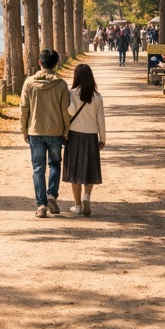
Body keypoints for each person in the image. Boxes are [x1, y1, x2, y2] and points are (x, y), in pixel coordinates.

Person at [20, 48, 70, 218]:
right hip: (56, 130)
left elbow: (24, 109)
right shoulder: (62, 85)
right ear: (56, 64)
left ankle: (41, 204)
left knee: (38, 168)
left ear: (39, 63)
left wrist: (24, 130)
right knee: (55, 164)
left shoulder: (29, 83)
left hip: (36, 130)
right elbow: (65, 111)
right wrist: (66, 131)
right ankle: (52, 196)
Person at [63, 63, 106, 216]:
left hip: (74, 134)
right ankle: (87, 195)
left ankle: (77, 205)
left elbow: (69, 112)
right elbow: (100, 119)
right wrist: (103, 138)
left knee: (75, 170)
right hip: (91, 135)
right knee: (90, 167)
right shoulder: (97, 96)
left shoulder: (71, 93)